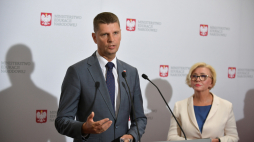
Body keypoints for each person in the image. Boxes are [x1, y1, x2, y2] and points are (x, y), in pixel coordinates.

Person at [55, 12, 147, 142]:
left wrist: (132, 135)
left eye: (115, 33)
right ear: (94, 37)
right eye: (105, 34)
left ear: (121, 34)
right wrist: (84, 128)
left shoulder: (131, 73)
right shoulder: (77, 72)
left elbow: (140, 118)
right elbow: (61, 121)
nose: (111, 39)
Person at [167, 62, 239, 142]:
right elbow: (171, 137)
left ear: (211, 82)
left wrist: (217, 141)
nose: (198, 79)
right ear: (191, 80)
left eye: (203, 76)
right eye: (194, 76)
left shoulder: (226, 106)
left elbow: (233, 137)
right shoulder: (179, 105)